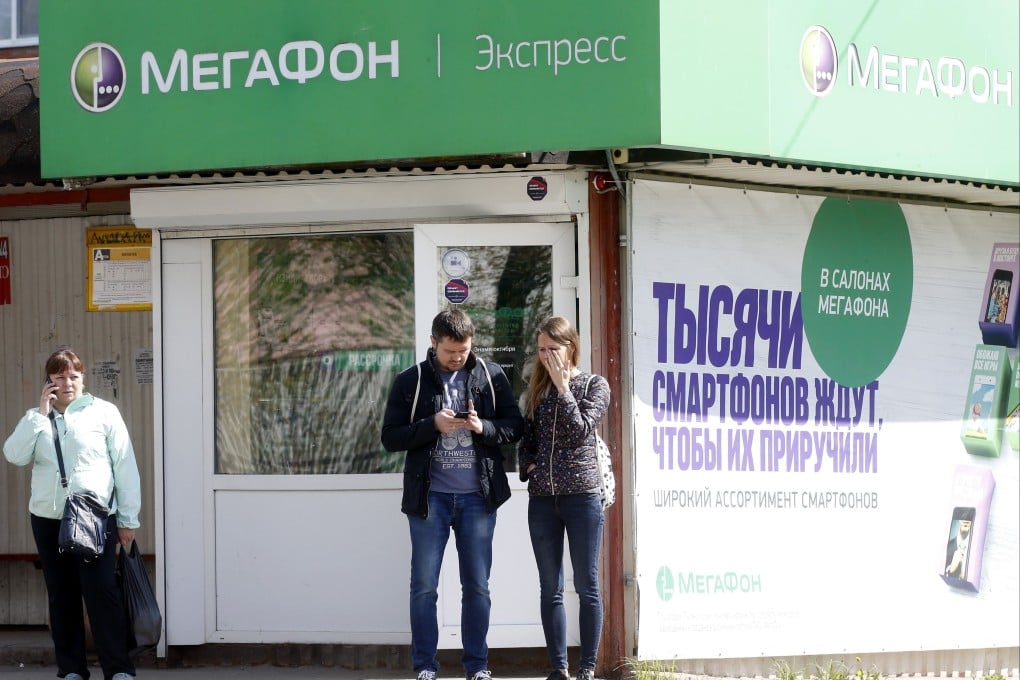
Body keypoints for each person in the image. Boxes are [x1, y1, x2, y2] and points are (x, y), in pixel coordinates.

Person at [381, 310, 524, 680]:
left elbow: (515, 426)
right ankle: (426, 666)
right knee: (424, 586)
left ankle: (477, 667)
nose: (457, 358)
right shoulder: (410, 380)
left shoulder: (491, 376)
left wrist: (483, 427)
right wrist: (433, 425)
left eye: (463, 350)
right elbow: (390, 436)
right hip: (430, 499)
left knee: (477, 586)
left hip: (478, 497)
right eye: (449, 351)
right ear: (433, 343)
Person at [3, 349, 141, 680]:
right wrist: (40, 413)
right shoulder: (36, 418)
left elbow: (124, 466)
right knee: (61, 595)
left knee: (101, 592)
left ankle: (119, 669)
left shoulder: (103, 413)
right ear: (48, 381)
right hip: (48, 519)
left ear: (83, 378)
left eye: (73, 376)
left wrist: (127, 519)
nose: (67, 383)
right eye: (59, 376)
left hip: (94, 517)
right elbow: (14, 455)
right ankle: (71, 670)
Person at [517, 317, 610, 680]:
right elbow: (526, 440)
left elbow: (579, 431)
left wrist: (564, 386)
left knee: (586, 584)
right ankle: (558, 667)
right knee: (550, 587)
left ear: (570, 347)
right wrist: (529, 467)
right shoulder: (536, 390)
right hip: (543, 500)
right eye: (541, 350)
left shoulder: (593, 385)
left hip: (582, 497)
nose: (546, 357)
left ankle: (587, 667)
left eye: (552, 350)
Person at [945, 508, 975, 580]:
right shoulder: (947, 546)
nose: (966, 519)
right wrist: (951, 569)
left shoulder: (976, 549)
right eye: (963, 515)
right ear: (959, 519)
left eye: (969, 516)